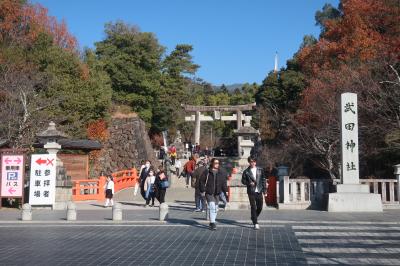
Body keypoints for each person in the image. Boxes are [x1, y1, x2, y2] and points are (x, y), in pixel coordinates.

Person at [199, 158, 228, 230]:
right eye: (215, 163)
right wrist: (203, 190)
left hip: (217, 193)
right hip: (209, 192)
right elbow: (201, 181)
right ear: (212, 163)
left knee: (216, 208)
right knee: (212, 206)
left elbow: (224, 182)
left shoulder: (220, 172)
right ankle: (212, 223)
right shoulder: (207, 172)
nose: (217, 164)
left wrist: (226, 191)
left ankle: (212, 221)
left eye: (218, 163)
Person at [241, 156, 267, 230]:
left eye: (253, 161)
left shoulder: (260, 169)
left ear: (255, 162)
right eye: (251, 161)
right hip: (251, 191)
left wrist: (265, 190)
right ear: (249, 162)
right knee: (253, 207)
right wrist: (249, 183)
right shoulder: (246, 171)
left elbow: (263, 180)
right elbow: (243, 181)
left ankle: (253, 217)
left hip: (259, 190)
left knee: (260, 207)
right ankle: (255, 223)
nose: (252, 163)